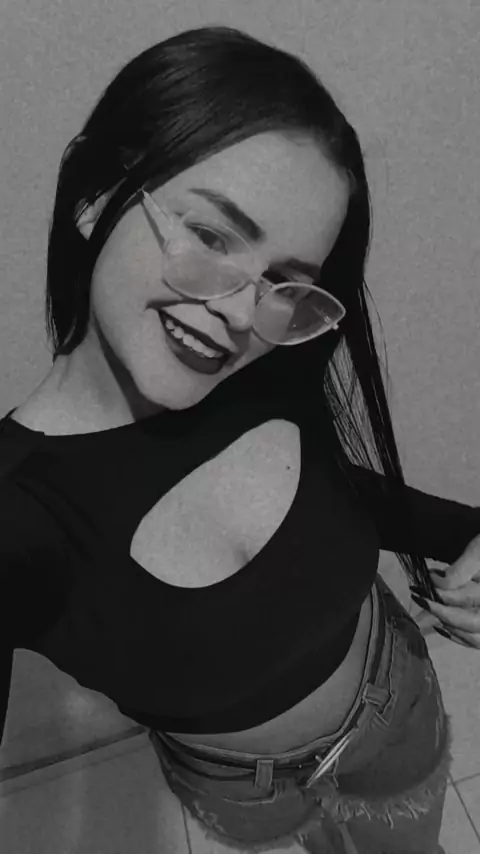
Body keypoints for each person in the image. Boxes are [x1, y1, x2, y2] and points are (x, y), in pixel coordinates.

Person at [1, 24, 478, 853]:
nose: (237, 310)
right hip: (241, 786)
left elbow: (345, 494)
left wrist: (472, 530)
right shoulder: (17, 516)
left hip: (394, 700)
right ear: (95, 196)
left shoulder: (262, 369)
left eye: (286, 281)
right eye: (212, 235)